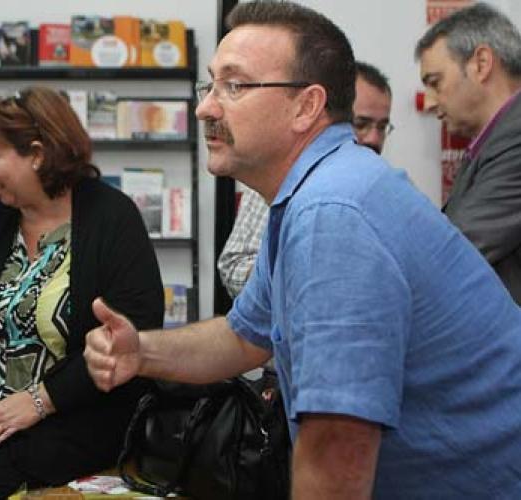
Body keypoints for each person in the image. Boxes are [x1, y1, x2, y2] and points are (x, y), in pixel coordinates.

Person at [84, 2, 521, 497]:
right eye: (211, 85)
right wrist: (141, 351)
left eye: (235, 85)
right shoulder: (314, 193)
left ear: (306, 107)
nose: (206, 107)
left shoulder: (331, 213)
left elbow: (337, 454)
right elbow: (243, 337)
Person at [0, 86, 164, 499]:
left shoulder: (111, 217)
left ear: (37, 154)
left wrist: (40, 400)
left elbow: (130, 334)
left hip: (78, 430)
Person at [218, 60, 393, 298]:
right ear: (326, 116)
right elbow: (233, 266)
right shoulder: (282, 174)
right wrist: (297, 273)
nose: (373, 138)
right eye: (361, 124)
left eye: (382, 127)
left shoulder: (384, 188)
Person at [415, 2, 521, 305]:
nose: (429, 102)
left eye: (435, 83)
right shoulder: (495, 140)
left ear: (481, 63)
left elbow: (455, 250)